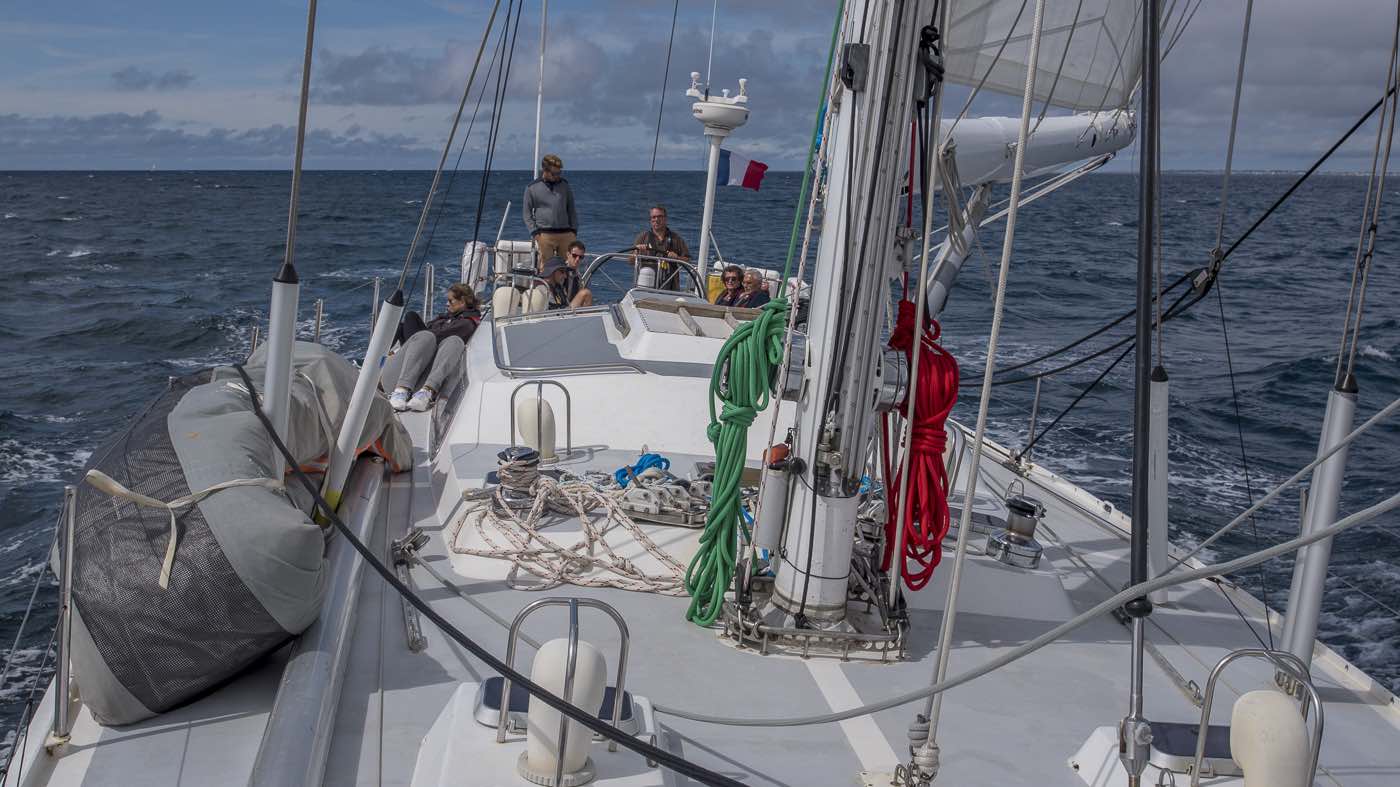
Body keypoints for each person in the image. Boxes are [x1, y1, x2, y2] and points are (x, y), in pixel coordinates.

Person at [385, 283, 481, 412]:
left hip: (428, 350)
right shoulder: (450, 317)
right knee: (409, 320)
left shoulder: (466, 323)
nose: (447, 304)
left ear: (462, 301)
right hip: (426, 347)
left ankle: (426, 392)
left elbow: (437, 336)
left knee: (448, 339)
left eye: (450, 300)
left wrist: (429, 331)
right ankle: (396, 380)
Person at [523, 154, 578, 266]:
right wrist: (536, 234)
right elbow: (526, 214)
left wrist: (573, 231)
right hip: (545, 235)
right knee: (546, 268)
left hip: (566, 234)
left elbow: (571, 209)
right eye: (554, 174)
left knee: (567, 267)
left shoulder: (565, 186)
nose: (557, 176)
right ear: (545, 170)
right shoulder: (532, 188)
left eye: (559, 173)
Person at [632, 204, 690, 290]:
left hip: (670, 289)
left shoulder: (676, 239)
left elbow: (687, 261)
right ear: (650, 220)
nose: (656, 220)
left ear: (665, 219)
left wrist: (677, 257)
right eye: (653, 217)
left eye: (660, 216)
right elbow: (630, 261)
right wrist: (637, 252)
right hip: (645, 288)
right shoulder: (642, 237)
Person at [564, 240, 594, 307]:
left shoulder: (577, 274)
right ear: (568, 254)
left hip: (572, 306)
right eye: (574, 255)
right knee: (586, 293)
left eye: (581, 257)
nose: (577, 259)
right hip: (563, 310)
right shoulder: (562, 272)